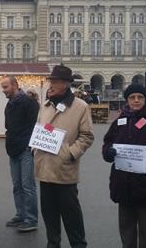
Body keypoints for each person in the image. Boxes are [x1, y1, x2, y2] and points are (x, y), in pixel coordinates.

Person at [102, 83, 146, 248]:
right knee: (126, 230)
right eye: (132, 97)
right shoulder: (121, 119)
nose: (136, 100)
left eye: (140, 97)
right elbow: (108, 142)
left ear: (145, 99)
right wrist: (108, 152)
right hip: (123, 185)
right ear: (127, 100)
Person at [35, 64, 94, 248]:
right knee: (49, 214)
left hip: (64, 169)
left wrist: (70, 154)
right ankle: (53, 244)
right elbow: (40, 128)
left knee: (71, 214)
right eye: (51, 80)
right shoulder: (45, 105)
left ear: (66, 84)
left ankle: (78, 244)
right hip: (44, 167)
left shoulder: (80, 106)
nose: (51, 84)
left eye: (56, 81)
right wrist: (34, 146)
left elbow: (87, 136)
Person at [1, 76, 40, 232]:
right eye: (2, 87)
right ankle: (21, 214)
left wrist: (30, 145)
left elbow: (35, 124)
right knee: (17, 186)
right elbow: (8, 126)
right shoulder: (9, 104)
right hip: (13, 149)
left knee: (27, 185)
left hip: (25, 149)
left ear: (15, 86)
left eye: (5, 87)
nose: (3, 90)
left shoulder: (29, 103)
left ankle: (31, 219)